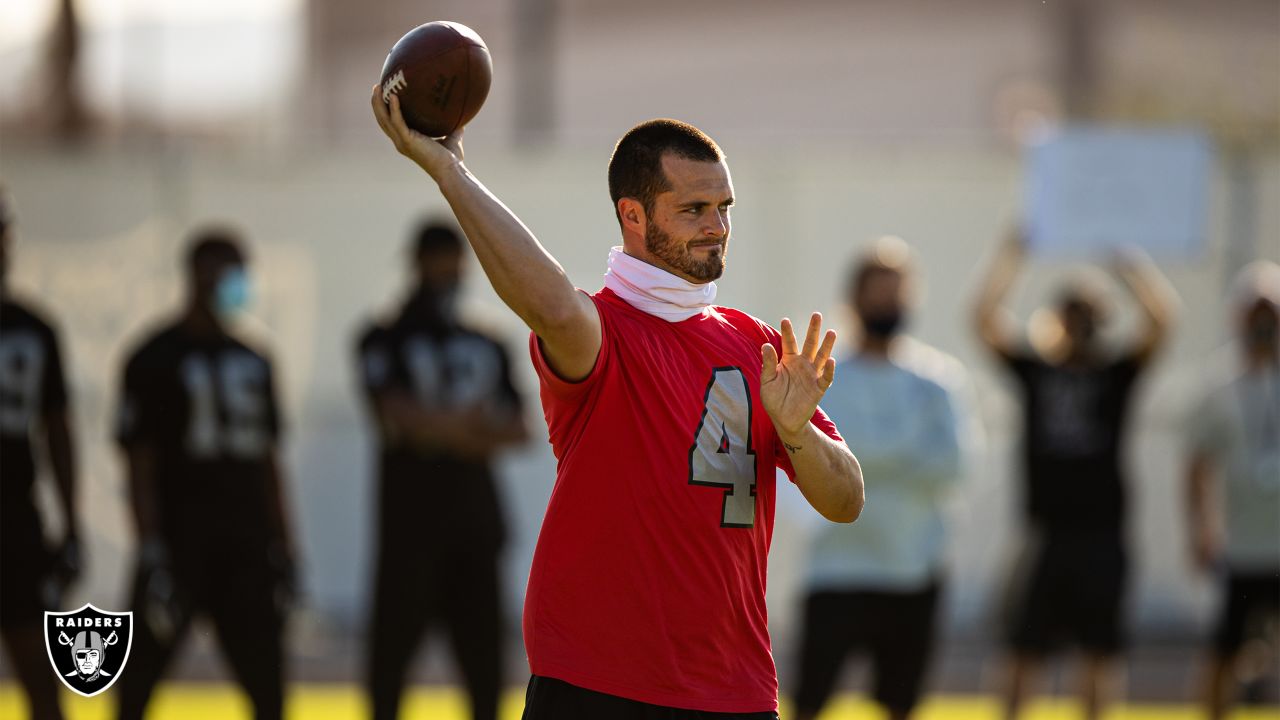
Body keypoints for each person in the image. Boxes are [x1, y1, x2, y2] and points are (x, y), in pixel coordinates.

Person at [371, 90, 864, 719]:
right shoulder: (603, 328)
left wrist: (798, 433)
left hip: (733, 687)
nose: (716, 227)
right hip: (597, 681)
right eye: (693, 209)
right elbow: (550, 306)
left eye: (723, 208)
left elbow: (846, 500)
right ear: (633, 215)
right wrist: (450, 171)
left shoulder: (757, 344)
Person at [973, 228, 1175, 720]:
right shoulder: (1037, 371)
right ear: (1057, 319)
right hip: (1045, 531)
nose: (1081, 325)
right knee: (1023, 650)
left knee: (1099, 653)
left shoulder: (1116, 373)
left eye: (1090, 315)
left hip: (1102, 533)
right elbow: (984, 321)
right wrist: (1011, 257)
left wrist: (1129, 266)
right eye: (1074, 313)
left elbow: (1162, 323)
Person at [113, 229, 298, 720]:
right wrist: (151, 546)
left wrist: (285, 545)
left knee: (268, 691)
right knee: (136, 686)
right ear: (198, 276)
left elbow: (268, 462)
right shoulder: (153, 358)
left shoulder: (255, 358)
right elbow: (140, 463)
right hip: (180, 540)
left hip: (245, 543)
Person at [793, 237, 973, 720]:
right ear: (854, 297)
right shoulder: (826, 378)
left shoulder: (936, 381)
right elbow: (803, 459)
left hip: (912, 569)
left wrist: (856, 463)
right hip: (836, 568)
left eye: (897, 291)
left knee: (901, 704)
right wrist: (900, 460)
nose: (887, 302)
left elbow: (952, 466)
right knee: (808, 700)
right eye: (877, 291)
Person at [357, 219, 528, 720]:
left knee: (485, 670)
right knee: (389, 667)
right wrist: (469, 431)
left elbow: (518, 429)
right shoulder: (383, 337)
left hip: (474, 525)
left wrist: (439, 431)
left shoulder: (486, 340)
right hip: (410, 527)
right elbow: (398, 418)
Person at [1185, 260, 1280, 720]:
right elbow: (1197, 464)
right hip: (1243, 546)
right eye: (1256, 313)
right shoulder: (1220, 384)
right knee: (1223, 652)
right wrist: (1201, 529)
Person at [0, 188, 81, 720]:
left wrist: (70, 521)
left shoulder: (34, 329)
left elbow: (56, 431)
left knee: (41, 675)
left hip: (13, 518)